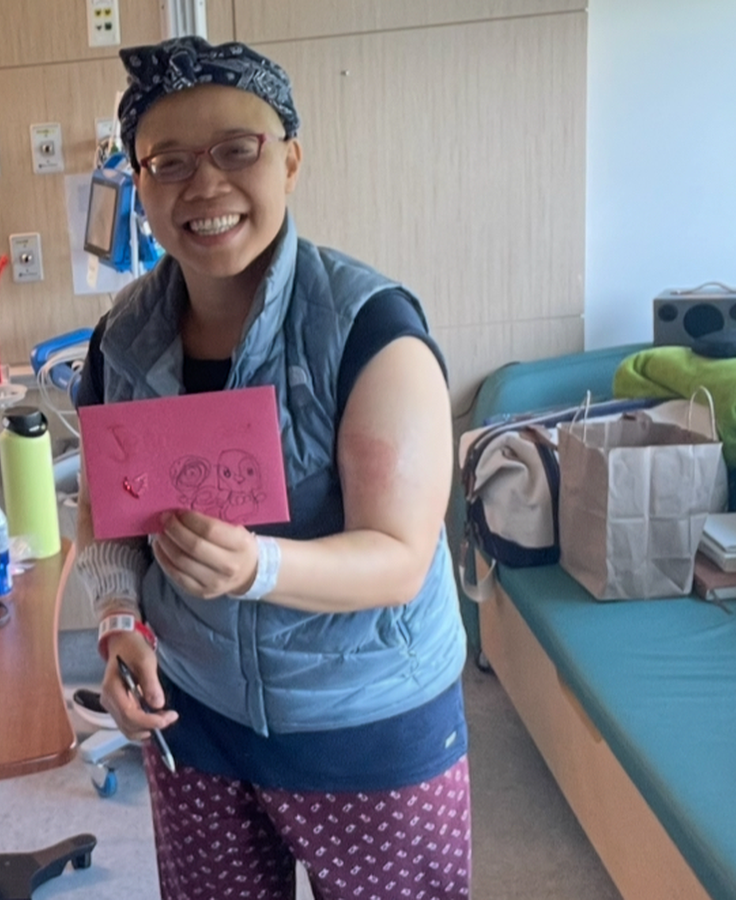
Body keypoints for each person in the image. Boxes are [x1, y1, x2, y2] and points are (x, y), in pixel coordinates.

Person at [72, 36, 469, 900]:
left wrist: (260, 566)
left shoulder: (370, 333)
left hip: (364, 719)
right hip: (196, 714)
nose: (204, 185)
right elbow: (108, 513)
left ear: (289, 160)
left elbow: (399, 557)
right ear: (139, 184)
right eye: (169, 162)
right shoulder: (122, 343)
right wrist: (117, 620)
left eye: (236, 149)